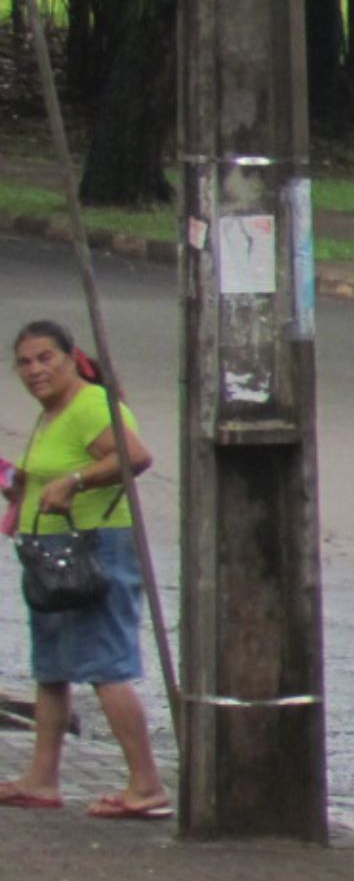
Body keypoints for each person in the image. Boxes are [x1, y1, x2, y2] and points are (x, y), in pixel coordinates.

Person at [4, 319, 169, 818]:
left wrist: (74, 481)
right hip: (51, 554)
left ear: (71, 358)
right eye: (25, 363)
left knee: (104, 665)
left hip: (96, 548)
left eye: (45, 358)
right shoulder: (52, 414)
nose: (35, 370)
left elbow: (135, 457)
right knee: (52, 668)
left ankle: (147, 785)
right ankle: (41, 778)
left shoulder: (91, 404)